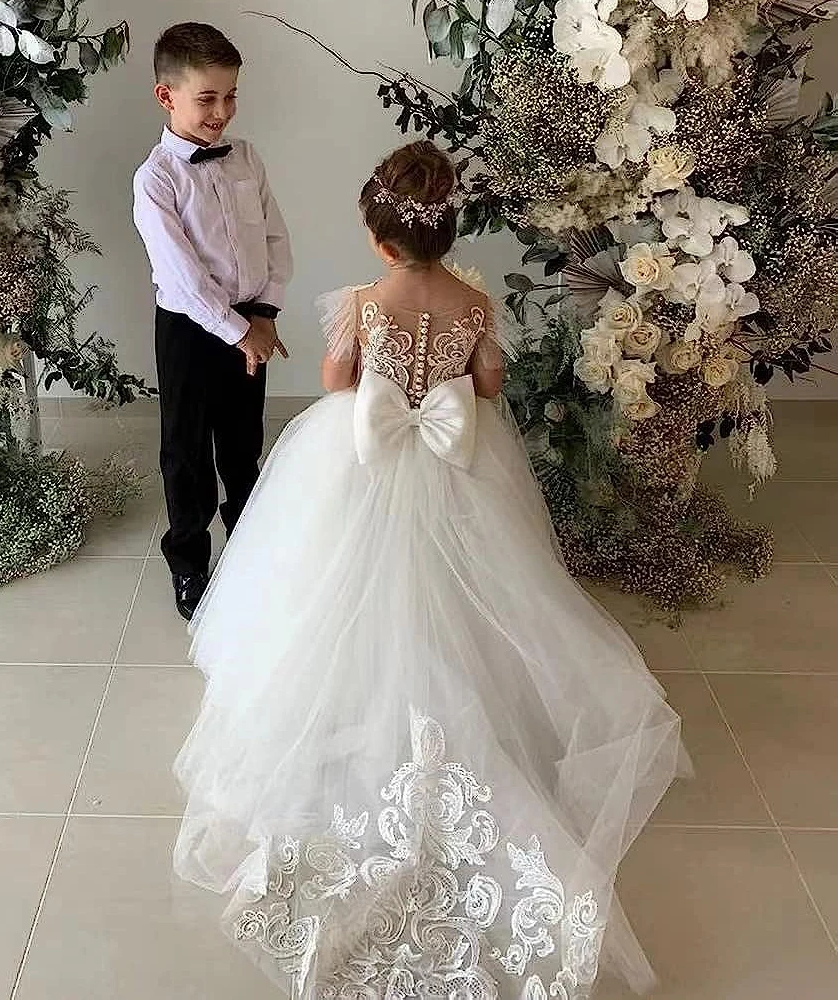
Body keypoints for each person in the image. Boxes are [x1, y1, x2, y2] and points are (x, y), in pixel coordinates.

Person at [173, 141, 689, 998]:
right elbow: (488, 388)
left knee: (338, 590)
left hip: (365, 466)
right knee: (475, 588)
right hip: (458, 469)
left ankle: (352, 702)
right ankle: (464, 698)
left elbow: (341, 383)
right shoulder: (474, 301)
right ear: (451, 233)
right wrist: (446, 379)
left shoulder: (362, 303)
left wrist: (380, 379)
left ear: (380, 240)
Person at [132, 22, 293, 620]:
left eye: (230, 96)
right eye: (207, 98)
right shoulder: (155, 180)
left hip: (252, 321)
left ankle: (249, 550)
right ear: (166, 96)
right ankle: (189, 562)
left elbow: (276, 237)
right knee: (187, 451)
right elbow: (183, 279)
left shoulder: (247, 157)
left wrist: (266, 312)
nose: (222, 111)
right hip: (190, 331)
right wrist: (239, 329)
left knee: (242, 442)